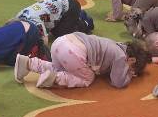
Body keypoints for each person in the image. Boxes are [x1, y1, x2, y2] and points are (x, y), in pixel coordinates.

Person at [14, 33, 150, 89]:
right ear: (131, 59)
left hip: (60, 42)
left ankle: (28, 63)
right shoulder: (121, 57)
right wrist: (128, 74)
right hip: (73, 51)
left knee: (61, 68)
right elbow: (118, 82)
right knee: (87, 78)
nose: (129, 70)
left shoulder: (116, 45)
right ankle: (56, 78)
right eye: (132, 69)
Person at [15, 0, 93, 40]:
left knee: (62, 36)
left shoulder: (36, 23)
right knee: (54, 29)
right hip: (62, 2)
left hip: (71, 6)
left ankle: (86, 22)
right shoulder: (18, 17)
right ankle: (78, 15)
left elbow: (45, 41)